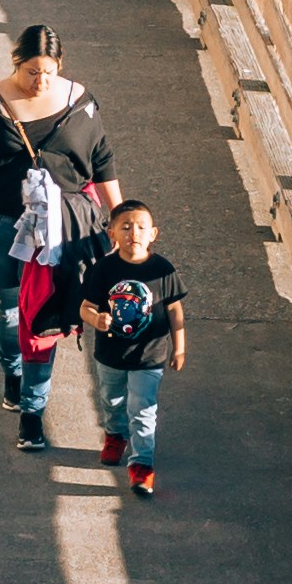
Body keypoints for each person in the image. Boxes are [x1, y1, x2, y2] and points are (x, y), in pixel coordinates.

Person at [0, 24, 121, 447]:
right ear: (15, 64)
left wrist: (120, 218)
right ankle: (13, 372)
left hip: (60, 233)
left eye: (47, 72)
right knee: (8, 307)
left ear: (60, 66)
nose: (40, 81)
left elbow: (102, 162)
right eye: (30, 72)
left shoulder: (81, 104)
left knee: (42, 317)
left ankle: (32, 410)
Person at [75, 197, 184, 498]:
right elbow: (85, 307)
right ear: (111, 234)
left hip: (150, 357)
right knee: (111, 400)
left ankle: (141, 465)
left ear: (153, 233)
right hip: (110, 356)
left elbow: (175, 311)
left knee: (142, 409)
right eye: (125, 227)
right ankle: (115, 435)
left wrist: (180, 348)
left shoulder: (163, 269)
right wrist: (95, 319)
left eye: (140, 226)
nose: (132, 232)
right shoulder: (104, 269)